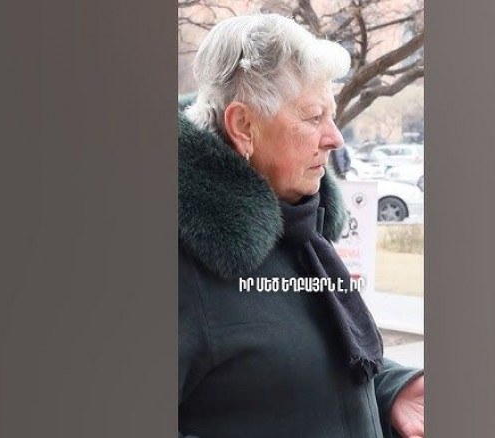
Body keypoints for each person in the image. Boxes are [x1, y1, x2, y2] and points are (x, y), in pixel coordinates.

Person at [178, 13, 425, 438]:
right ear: (244, 126)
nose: (335, 137)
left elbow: (297, 373)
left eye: (332, 115)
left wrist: (391, 390)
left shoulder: (299, 230)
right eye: (313, 117)